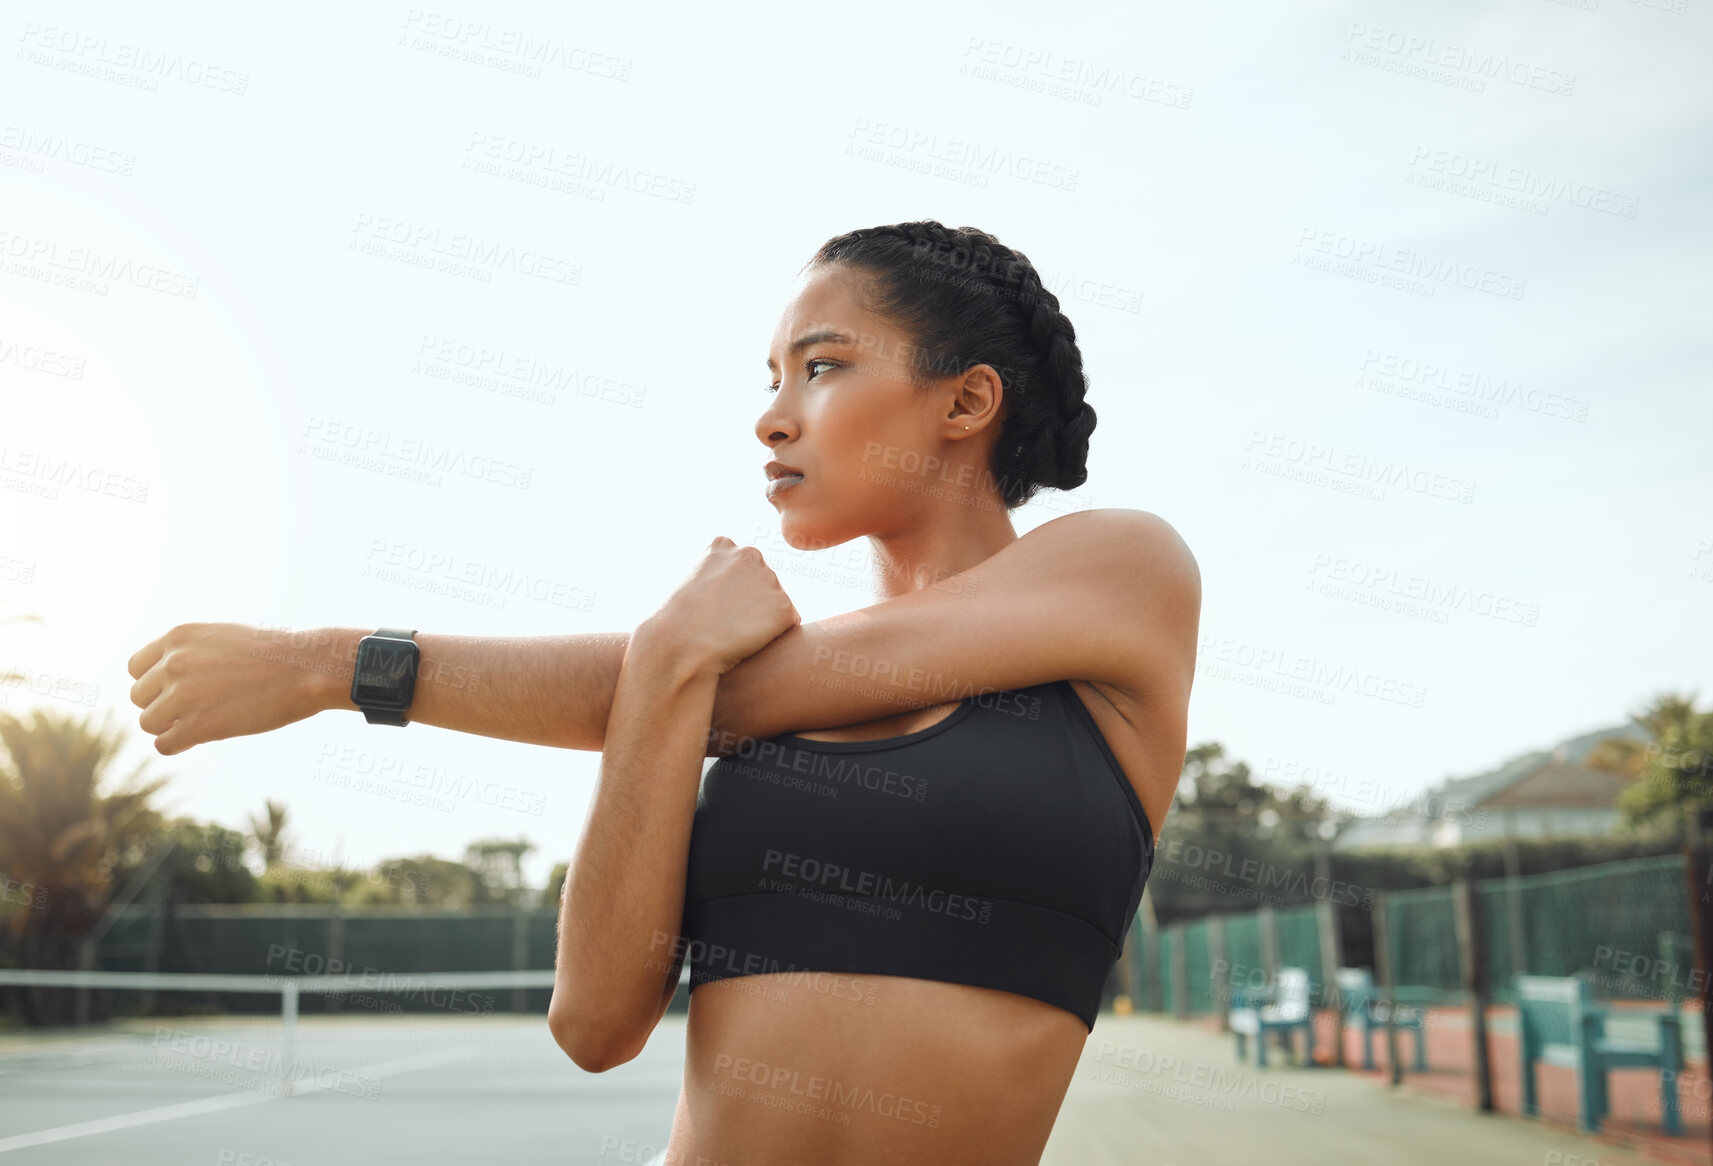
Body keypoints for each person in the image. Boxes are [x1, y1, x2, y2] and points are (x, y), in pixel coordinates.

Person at [126, 220, 1200, 1165]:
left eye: (820, 368)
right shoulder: (697, 680)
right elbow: (594, 1024)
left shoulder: (1126, 573)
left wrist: (334, 662)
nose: (772, 418)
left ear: (967, 399)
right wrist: (669, 664)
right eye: (770, 376)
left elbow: (742, 685)